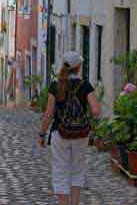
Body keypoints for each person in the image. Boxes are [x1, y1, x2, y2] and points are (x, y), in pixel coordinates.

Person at [38, 51, 101, 205]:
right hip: (80, 134)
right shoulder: (85, 86)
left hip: (60, 133)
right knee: (77, 170)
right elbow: (96, 111)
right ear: (78, 67)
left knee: (60, 170)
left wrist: (42, 133)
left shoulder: (56, 86)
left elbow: (49, 113)